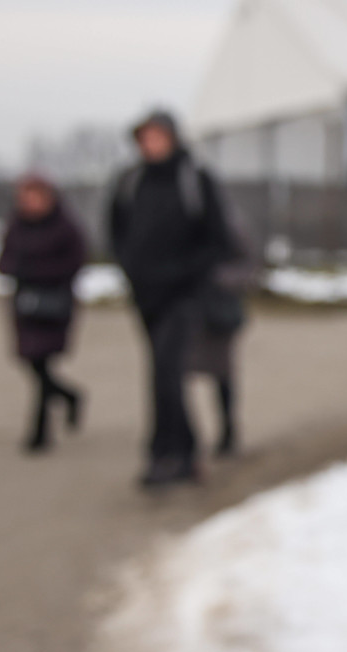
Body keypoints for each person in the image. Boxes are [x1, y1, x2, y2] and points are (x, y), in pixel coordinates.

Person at [109, 110, 251, 489]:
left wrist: (190, 274)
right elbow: (117, 233)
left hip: (185, 296)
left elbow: (218, 239)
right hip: (146, 296)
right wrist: (132, 270)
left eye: (158, 137)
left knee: (168, 373)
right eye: (145, 138)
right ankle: (183, 453)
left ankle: (167, 455)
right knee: (159, 372)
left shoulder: (195, 180)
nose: (151, 145)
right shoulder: (131, 182)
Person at [0, 174, 86, 454]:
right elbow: (3, 260)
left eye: (35, 196)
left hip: (54, 304)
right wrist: (16, 270)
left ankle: (39, 431)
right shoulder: (16, 225)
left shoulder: (65, 227)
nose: (30, 202)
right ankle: (69, 395)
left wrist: (38, 272)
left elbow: (75, 262)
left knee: (43, 362)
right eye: (25, 196)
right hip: (25, 304)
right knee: (32, 363)